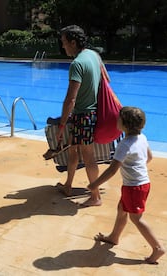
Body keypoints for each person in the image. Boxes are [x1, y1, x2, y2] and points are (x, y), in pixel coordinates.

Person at [87, 106, 165, 264]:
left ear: (125, 125)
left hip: (134, 187)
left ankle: (157, 248)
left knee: (136, 218)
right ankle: (114, 236)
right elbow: (149, 157)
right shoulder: (142, 137)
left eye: (118, 118)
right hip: (142, 183)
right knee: (122, 209)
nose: (116, 120)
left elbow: (112, 170)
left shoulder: (125, 145)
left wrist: (95, 184)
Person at [55, 25, 103, 206]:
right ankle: (68, 185)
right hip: (88, 113)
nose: (63, 47)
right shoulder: (93, 55)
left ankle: (96, 196)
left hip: (84, 115)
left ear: (73, 42)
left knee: (88, 155)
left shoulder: (77, 64)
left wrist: (61, 125)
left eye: (64, 43)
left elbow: (71, 99)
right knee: (73, 149)